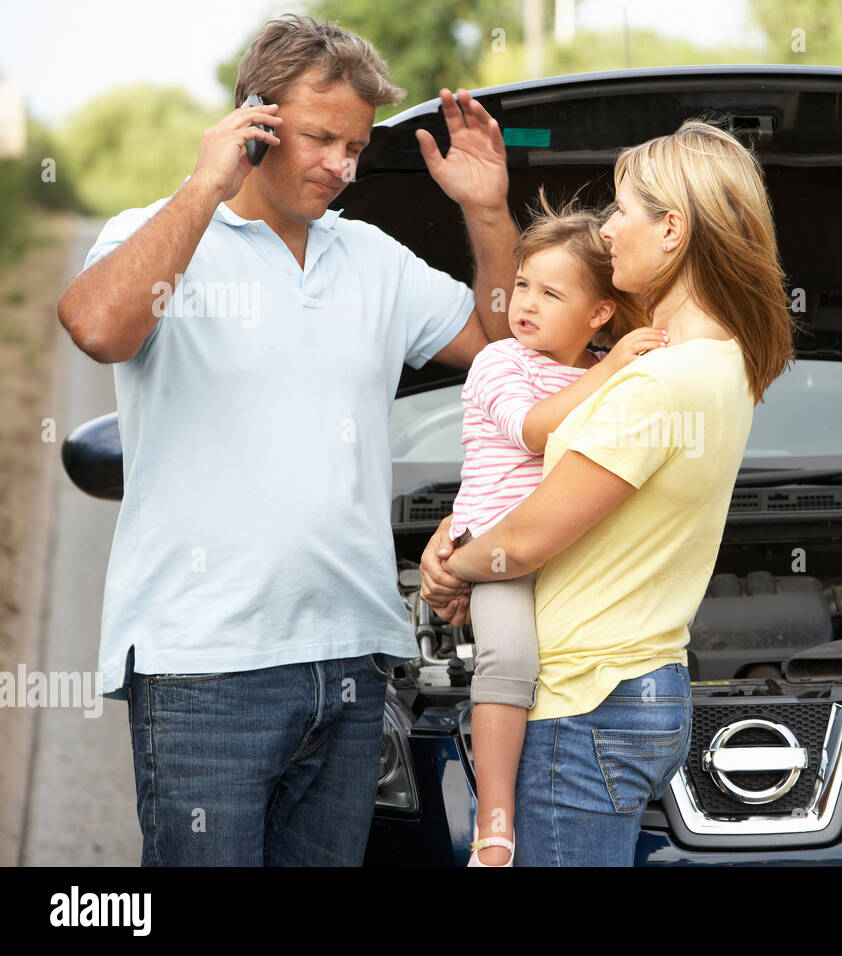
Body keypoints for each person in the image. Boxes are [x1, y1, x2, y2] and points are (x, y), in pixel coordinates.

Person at [55, 14, 517, 866]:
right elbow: (96, 326)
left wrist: (487, 212)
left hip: (353, 657)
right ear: (254, 124)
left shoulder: (374, 258)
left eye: (355, 146)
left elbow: (502, 355)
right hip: (203, 667)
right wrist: (203, 186)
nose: (341, 167)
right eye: (319, 139)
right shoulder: (155, 236)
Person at [420, 118, 797, 866]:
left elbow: (527, 540)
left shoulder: (658, 380)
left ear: (672, 230)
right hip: (641, 686)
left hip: (584, 701)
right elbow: (534, 439)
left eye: (622, 210)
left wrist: (449, 568)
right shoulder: (721, 363)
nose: (607, 228)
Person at [450, 191, 666, 866]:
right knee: (509, 662)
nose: (526, 303)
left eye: (550, 292)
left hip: (576, 559)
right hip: (501, 555)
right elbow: (532, 430)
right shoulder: (500, 363)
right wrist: (612, 365)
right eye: (522, 285)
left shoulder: (603, 374)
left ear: (599, 311)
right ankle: (496, 821)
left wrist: (617, 362)